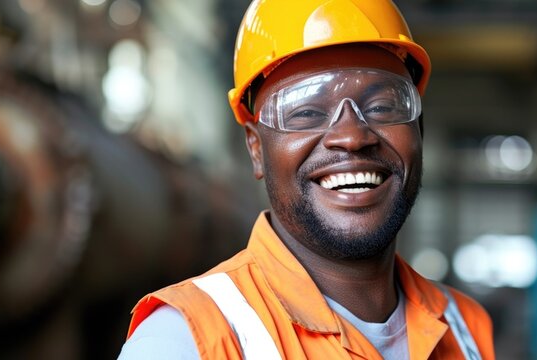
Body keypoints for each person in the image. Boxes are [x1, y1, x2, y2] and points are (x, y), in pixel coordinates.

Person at [118, 0, 495, 358]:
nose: (351, 136)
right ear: (256, 148)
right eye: (306, 111)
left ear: (418, 130)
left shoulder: (465, 325)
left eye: (381, 106)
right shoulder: (186, 342)